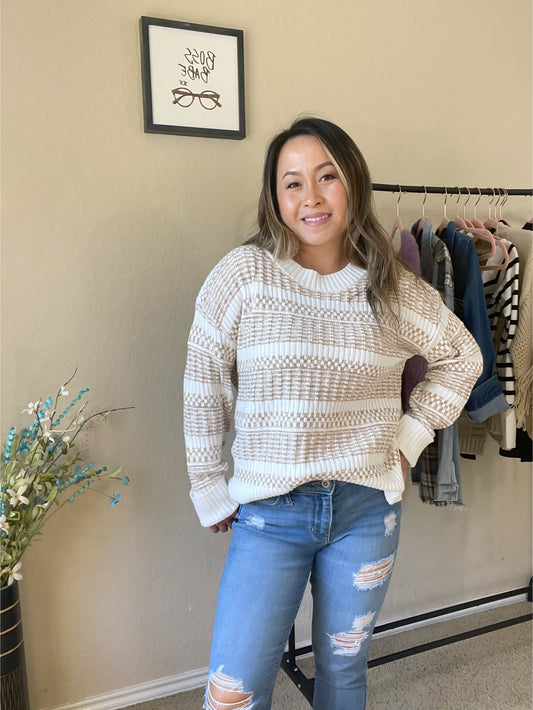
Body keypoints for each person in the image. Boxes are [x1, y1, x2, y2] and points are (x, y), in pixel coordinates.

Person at [183, 117, 483, 710]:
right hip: (271, 513)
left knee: (344, 675)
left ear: (353, 185)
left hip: (366, 510)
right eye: (292, 183)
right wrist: (207, 488)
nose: (311, 196)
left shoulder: (392, 287)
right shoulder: (243, 276)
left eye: (327, 177)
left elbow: (462, 359)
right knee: (233, 692)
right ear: (275, 197)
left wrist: (408, 441)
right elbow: (203, 384)